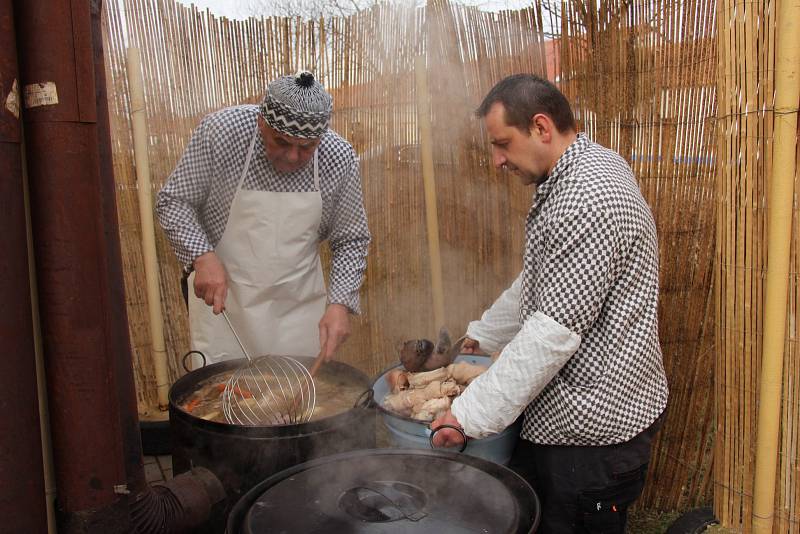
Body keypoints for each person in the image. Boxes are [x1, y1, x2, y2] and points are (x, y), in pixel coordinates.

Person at [431, 74, 668, 533]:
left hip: (595, 434)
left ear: (541, 127)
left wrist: (466, 415)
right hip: (568, 420)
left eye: (503, 143)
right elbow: (542, 277)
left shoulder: (586, 199)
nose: (497, 160)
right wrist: (485, 332)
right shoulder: (579, 169)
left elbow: (549, 336)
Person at [156, 71, 370, 365]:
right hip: (226, 312)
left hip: (297, 312)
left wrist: (340, 304)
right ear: (261, 122)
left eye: (306, 147)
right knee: (220, 403)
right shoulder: (222, 133)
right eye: (281, 142)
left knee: (299, 407)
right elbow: (174, 201)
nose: (293, 156)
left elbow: (351, 239)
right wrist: (202, 257)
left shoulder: (338, 156)